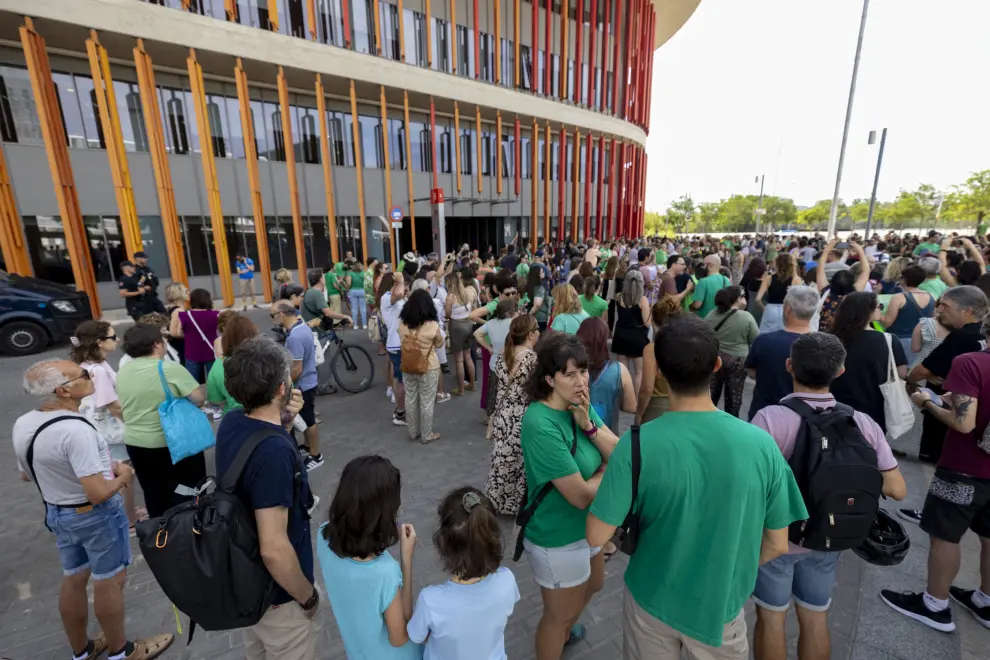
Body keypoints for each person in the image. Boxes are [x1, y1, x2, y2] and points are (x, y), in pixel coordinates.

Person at [586, 315, 808, 660]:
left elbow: (597, 536)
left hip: (652, 598)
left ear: (658, 369)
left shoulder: (636, 445)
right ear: (717, 365)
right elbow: (778, 542)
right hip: (721, 608)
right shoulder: (761, 444)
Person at [751, 333, 907, 660]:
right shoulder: (862, 422)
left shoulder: (769, 419)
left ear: (789, 366)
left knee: (771, 617)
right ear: (840, 372)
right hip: (831, 535)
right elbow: (897, 488)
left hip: (778, 536)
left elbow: (751, 485)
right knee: (815, 616)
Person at [13, 360, 174, 660]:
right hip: (94, 514)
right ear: (63, 390)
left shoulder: (24, 422)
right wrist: (123, 476)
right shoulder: (76, 430)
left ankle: (82, 650)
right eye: (83, 375)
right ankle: (120, 651)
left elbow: (26, 473)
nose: (90, 377)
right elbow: (98, 492)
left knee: (73, 577)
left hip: (58, 512)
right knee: (110, 580)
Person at [215, 336, 320, 659]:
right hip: (280, 597)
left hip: (249, 585)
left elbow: (256, 447)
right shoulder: (274, 452)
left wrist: (285, 421)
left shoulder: (233, 422)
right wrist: (308, 597)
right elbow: (274, 548)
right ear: (279, 389)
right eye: (287, 377)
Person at [886, 316, 990, 632]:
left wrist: (926, 403)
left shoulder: (971, 363)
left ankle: (935, 604)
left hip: (964, 468)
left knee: (945, 534)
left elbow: (964, 423)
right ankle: (985, 601)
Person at [519, 333, 620, 658]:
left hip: (588, 529)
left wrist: (589, 425)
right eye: (569, 374)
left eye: (584, 371)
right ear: (549, 379)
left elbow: (622, 453)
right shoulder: (540, 422)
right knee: (556, 616)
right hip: (557, 537)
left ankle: (566, 624)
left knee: (594, 585)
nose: (581, 381)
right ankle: (558, 634)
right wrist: (607, 471)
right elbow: (579, 495)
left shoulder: (580, 407)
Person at [316, 455, 420, 659]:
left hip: (358, 650)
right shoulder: (384, 571)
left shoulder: (323, 534)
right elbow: (399, 636)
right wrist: (406, 560)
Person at [407, 487, 520, 657]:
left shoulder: (430, 601)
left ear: (443, 543)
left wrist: (406, 561)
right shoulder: (507, 580)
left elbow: (416, 636)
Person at [117, 323, 207, 518]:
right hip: (172, 442)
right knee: (188, 490)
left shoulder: (124, 370)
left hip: (136, 441)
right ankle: (191, 532)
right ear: (157, 344)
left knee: (154, 492)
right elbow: (198, 398)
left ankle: (161, 535)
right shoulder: (169, 369)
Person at [72, 321, 146, 530]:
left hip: (97, 426)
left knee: (113, 472)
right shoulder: (99, 370)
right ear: (99, 342)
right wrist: (133, 425)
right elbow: (113, 406)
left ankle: (127, 513)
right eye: (113, 337)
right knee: (123, 473)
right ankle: (129, 520)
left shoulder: (87, 365)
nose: (118, 340)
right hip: (110, 429)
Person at [907, 285, 989, 465]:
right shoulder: (980, 334)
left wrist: (912, 383)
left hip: (950, 415)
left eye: (946, 306)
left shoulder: (962, 337)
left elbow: (923, 370)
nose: (939, 309)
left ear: (967, 311)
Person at [828, 292, 908, 433]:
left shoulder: (830, 337)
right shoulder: (889, 340)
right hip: (875, 407)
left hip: (834, 403)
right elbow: (901, 372)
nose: (881, 309)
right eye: (879, 306)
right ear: (868, 311)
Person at [486, 314, 540, 516]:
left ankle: (496, 499)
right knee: (520, 462)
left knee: (501, 458)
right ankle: (516, 503)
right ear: (530, 334)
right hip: (521, 417)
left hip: (503, 414)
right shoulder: (532, 359)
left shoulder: (502, 354)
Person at [746, 286, 818, 420]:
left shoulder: (763, 341)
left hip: (764, 416)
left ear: (788, 309)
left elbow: (751, 372)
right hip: (803, 419)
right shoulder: (822, 345)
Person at [270, 300, 325, 471]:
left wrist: (285, 385)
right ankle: (309, 447)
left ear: (282, 314)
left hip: (303, 384)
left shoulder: (294, 336)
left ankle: (315, 455)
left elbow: (297, 368)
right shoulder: (302, 326)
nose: (272, 320)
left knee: (308, 421)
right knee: (306, 418)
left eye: (272, 316)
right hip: (310, 380)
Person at [398, 289, 445, 444]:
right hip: (428, 366)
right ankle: (426, 434)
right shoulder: (432, 325)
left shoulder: (402, 324)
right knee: (426, 401)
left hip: (407, 365)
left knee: (410, 398)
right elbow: (439, 343)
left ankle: (412, 432)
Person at [707, 286, 759, 418]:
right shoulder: (746, 317)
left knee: (711, 395)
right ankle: (731, 423)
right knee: (734, 398)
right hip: (738, 360)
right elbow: (755, 339)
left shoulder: (712, 315)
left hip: (715, 358)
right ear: (737, 299)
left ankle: (707, 421)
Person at [577, 317, 637, 431]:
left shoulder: (571, 368)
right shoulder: (619, 370)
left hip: (575, 439)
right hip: (607, 437)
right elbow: (630, 406)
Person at [635, 297, 682, 424]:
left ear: (654, 321)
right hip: (683, 404)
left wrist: (639, 413)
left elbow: (647, 388)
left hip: (657, 406)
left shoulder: (652, 349)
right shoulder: (689, 344)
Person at [880, 264, 935, 362]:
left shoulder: (898, 298)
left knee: (899, 373)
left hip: (900, 341)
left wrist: (878, 314)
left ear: (904, 279)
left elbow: (887, 322)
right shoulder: (931, 296)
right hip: (922, 341)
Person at [206, 315, 260, 416]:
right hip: (268, 416)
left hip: (235, 418)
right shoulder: (267, 357)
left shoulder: (219, 365)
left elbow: (216, 400)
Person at [475, 299, 519, 420]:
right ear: (510, 311)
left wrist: (489, 347)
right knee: (511, 393)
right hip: (512, 363)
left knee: (493, 391)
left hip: (495, 362)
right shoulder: (515, 323)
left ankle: (491, 418)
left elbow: (477, 334)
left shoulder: (491, 323)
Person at [611, 269, 651, 394]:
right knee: (639, 372)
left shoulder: (619, 297)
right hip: (637, 338)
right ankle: (636, 402)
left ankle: (625, 398)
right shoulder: (642, 300)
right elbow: (647, 322)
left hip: (621, 336)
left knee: (623, 371)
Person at [170, 288, 220, 384]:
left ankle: (197, 398)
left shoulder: (185, 315)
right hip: (211, 351)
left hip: (192, 352)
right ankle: (213, 397)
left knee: (192, 382)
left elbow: (179, 333)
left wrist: (190, 335)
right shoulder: (215, 315)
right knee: (213, 380)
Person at [445, 269, 479, 397]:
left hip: (457, 327)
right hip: (468, 324)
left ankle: (461, 389)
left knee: (459, 360)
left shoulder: (450, 297)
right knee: (468, 356)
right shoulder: (467, 293)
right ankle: (472, 384)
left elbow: (447, 314)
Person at [756, 253, 803, 333]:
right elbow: (798, 300)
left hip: (770, 308)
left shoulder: (768, 278)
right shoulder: (796, 280)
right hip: (787, 310)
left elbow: (757, 299)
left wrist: (763, 307)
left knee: (765, 335)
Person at [163, 283, 188, 364]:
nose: (188, 293)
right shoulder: (178, 310)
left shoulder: (170, 308)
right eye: (186, 291)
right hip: (180, 346)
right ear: (179, 294)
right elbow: (173, 332)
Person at [345, 260, 369, 329]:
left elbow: (349, 283)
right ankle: (364, 324)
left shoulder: (350, 273)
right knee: (363, 308)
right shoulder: (363, 273)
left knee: (354, 309)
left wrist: (347, 288)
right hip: (362, 290)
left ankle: (355, 325)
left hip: (353, 291)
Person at [526, 266, 551, 332]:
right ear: (537, 275)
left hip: (535, 318)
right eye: (542, 272)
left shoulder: (531, 285)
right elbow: (537, 305)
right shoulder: (539, 288)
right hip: (540, 318)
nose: (544, 273)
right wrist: (528, 316)